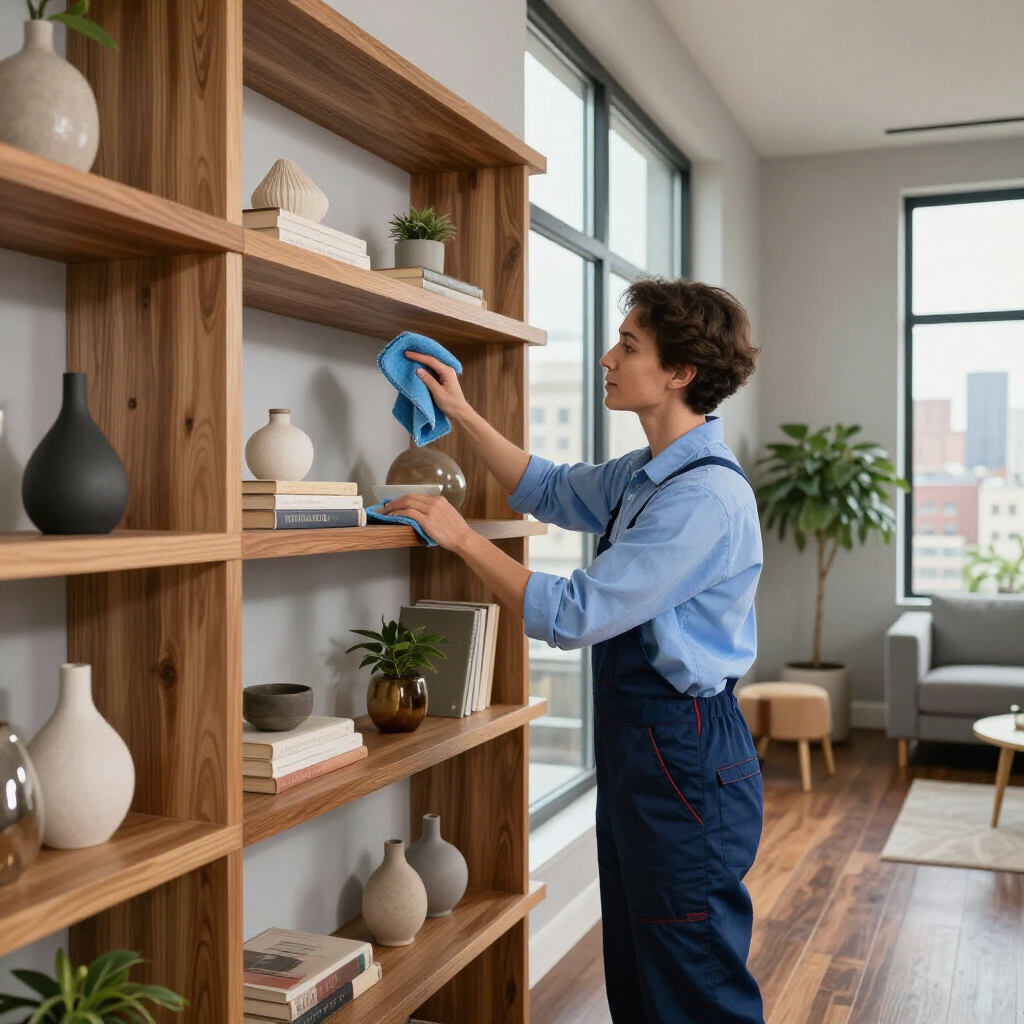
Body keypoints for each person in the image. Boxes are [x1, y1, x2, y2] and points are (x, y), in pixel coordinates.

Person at [383, 277, 765, 1024]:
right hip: (644, 746)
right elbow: (548, 489)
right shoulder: (650, 473)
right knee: (639, 959)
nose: (607, 359)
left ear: (681, 373)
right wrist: (460, 410)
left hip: (684, 754)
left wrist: (460, 536)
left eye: (628, 346)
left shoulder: (702, 499)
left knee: (694, 981)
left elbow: (575, 613)